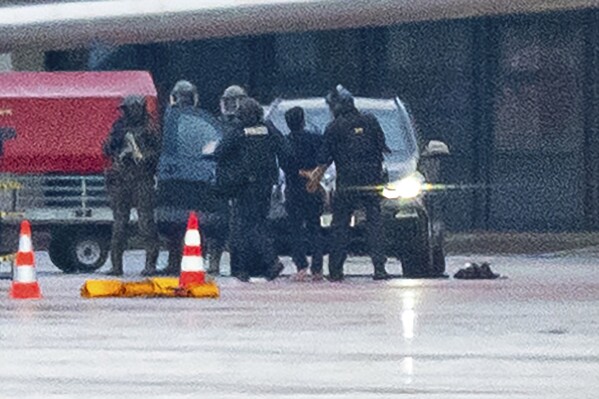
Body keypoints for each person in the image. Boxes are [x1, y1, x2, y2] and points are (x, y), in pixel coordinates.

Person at [304, 85, 391, 281]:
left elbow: (324, 159)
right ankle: (379, 268)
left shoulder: (334, 127)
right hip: (371, 182)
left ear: (336, 106)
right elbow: (383, 148)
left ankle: (336, 270)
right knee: (374, 223)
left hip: (347, 184)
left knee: (340, 225)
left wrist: (314, 181)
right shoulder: (370, 121)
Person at [155, 80, 226, 276]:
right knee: (196, 221)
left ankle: (175, 261)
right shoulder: (198, 122)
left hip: (173, 176)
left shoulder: (173, 119)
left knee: (177, 222)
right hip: (188, 176)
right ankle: (189, 260)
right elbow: (211, 146)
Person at [215, 97, 287, 282]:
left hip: (245, 185)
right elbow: (286, 150)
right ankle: (262, 267)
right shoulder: (268, 129)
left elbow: (219, 152)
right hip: (266, 185)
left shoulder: (239, 132)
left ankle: (263, 263)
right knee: (260, 224)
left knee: (244, 227)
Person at [103, 95, 160, 276]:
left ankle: (150, 264)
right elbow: (106, 149)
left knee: (146, 223)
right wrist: (116, 145)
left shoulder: (150, 128)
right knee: (119, 224)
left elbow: (158, 153)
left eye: (128, 109)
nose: (126, 113)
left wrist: (143, 155)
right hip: (121, 180)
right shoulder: (119, 127)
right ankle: (116, 265)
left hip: (142, 179)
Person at [279, 106, 325, 281]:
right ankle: (318, 268)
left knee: (295, 229)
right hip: (313, 187)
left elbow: (285, 166)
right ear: (303, 120)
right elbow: (324, 158)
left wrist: (300, 173)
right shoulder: (315, 139)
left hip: (294, 189)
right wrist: (314, 175)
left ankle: (301, 266)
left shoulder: (285, 142)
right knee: (315, 227)